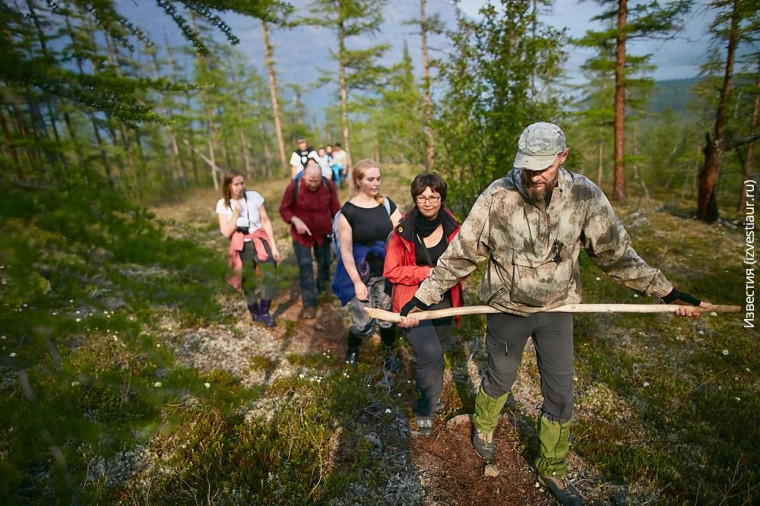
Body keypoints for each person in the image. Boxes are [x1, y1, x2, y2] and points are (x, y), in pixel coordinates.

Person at [399, 122, 708, 505]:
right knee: (499, 378)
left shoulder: (583, 196)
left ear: (563, 156)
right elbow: (461, 254)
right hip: (507, 310)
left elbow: (616, 254)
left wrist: (667, 292)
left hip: (557, 310)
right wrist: (423, 299)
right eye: (528, 164)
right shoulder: (499, 195)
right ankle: (483, 426)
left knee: (560, 394)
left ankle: (552, 466)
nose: (534, 173)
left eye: (544, 165)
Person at [383, 173, 464, 436]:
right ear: (415, 199)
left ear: (442, 198)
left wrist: (450, 275)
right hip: (411, 303)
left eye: (434, 197)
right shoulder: (402, 231)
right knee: (429, 355)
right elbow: (391, 272)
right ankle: (424, 410)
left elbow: (464, 266)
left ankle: (434, 397)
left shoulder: (455, 228)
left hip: (443, 301)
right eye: (422, 197)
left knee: (438, 353)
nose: (428, 203)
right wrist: (425, 272)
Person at [331, 159, 402, 367]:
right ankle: (352, 350)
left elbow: (402, 232)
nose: (376, 183)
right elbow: (345, 251)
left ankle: (390, 353)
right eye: (370, 179)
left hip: (386, 272)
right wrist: (356, 282)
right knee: (362, 323)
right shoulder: (348, 212)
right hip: (360, 273)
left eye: (378, 178)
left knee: (388, 319)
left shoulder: (386, 204)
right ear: (358, 181)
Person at [217, 170, 281, 326]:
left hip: (259, 239)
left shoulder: (254, 197)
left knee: (270, 275)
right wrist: (236, 213)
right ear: (228, 186)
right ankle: (254, 311)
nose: (240, 187)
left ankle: (265, 311)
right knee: (248, 280)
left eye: (242, 183)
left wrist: (273, 245)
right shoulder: (222, 204)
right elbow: (225, 232)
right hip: (241, 243)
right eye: (236, 184)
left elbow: (265, 221)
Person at [279, 159, 340, 319]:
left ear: (322, 177)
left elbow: (336, 210)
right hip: (301, 236)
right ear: (303, 176)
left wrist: (341, 228)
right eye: (310, 181)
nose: (313, 184)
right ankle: (310, 303)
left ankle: (323, 289)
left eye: (317, 181)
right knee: (306, 268)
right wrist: (295, 220)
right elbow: (284, 209)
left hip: (323, 233)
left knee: (325, 263)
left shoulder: (328, 185)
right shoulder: (294, 186)